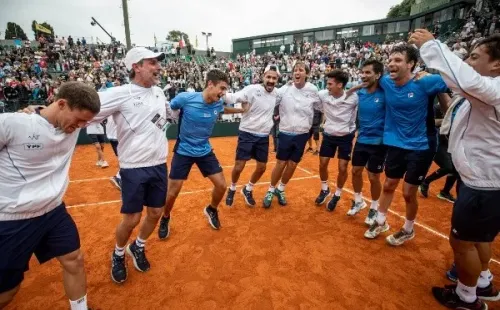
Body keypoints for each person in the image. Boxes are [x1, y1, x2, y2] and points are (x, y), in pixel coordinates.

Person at [411, 29, 500, 310]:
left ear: (496, 64)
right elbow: (460, 83)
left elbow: (463, 78)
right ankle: (482, 282)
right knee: (477, 238)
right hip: (482, 180)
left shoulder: (494, 90)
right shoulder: (488, 91)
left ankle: (466, 298)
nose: (469, 62)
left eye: (475, 57)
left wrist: (432, 46)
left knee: (461, 242)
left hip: (483, 184)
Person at [0, 82, 100, 310]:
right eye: (80, 120)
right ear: (62, 104)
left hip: (53, 211)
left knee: (74, 259)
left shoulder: (71, 125)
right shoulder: (11, 123)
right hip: (12, 218)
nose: (82, 126)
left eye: (86, 121)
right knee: (7, 293)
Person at [88, 47, 170, 284]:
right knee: (132, 218)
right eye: (152, 62)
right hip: (133, 167)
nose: (158, 67)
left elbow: (165, 118)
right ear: (136, 66)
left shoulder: (159, 93)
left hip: (159, 164)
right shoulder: (119, 93)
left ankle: (139, 246)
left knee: (155, 212)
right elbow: (87, 110)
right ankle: (118, 253)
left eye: (157, 62)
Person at [363, 44, 449, 246]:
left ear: (411, 64)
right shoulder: (385, 81)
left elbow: (454, 84)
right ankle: (381, 221)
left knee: (409, 192)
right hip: (395, 143)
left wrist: (446, 111)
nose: (392, 64)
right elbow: (368, 79)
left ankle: (408, 229)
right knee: (389, 184)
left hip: (421, 144)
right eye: (390, 60)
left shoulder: (426, 82)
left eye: (398, 60)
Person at [157, 69, 246, 239]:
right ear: (210, 84)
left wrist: (240, 111)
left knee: (221, 186)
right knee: (172, 192)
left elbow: (223, 109)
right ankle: (165, 217)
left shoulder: (218, 102)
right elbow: (169, 108)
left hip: (204, 150)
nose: (223, 93)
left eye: (225, 89)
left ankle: (211, 209)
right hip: (183, 150)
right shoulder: (186, 98)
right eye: (221, 88)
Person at [262, 61, 322, 209]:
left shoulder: (313, 90)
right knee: (281, 163)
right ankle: (270, 190)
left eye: (301, 70)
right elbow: (269, 100)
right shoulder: (284, 90)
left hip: (302, 134)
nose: (297, 72)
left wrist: (323, 122)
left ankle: (280, 189)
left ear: (306, 74)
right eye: (295, 70)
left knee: (293, 164)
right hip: (285, 132)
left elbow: (321, 106)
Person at [224, 65, 280, 207]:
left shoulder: (277, 94)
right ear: (263, 77)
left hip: (263, 136)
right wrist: (218, 91)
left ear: (277, 79)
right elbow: (232, 97)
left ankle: (248, 189)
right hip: (247, 133)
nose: (271, 80)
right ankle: (232, 188)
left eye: (274, 78)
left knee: (262, 167)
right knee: (239, 166)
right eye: (268, 77)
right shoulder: (252, 89)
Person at [348, 59, 386, 225]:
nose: (363, 75)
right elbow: (345, 95)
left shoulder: (386, 92)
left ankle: (374, 207)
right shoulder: (360, 93)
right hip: (362, 139)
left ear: (378, 75)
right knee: (355, 171)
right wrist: (355, 88)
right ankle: (358, 201)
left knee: (373, 176)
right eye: (362, 72)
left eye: (368, 72)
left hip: (379, 142)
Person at [314, 69, 358, 212]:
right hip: (328, 135)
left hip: (346, 137)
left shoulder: (354, 98)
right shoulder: (323, 95)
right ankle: (324, 189)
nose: (327, 86)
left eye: (330, 83)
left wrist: (357, 87)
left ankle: (337, 194)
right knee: (322, 164)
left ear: (340, 85)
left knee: (342, 167)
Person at [105, 115, 121, 190]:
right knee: (125, 158)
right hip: (117, 137)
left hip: (112, 137)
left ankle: (119, 177)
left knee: (121, 158)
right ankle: (118, 177)